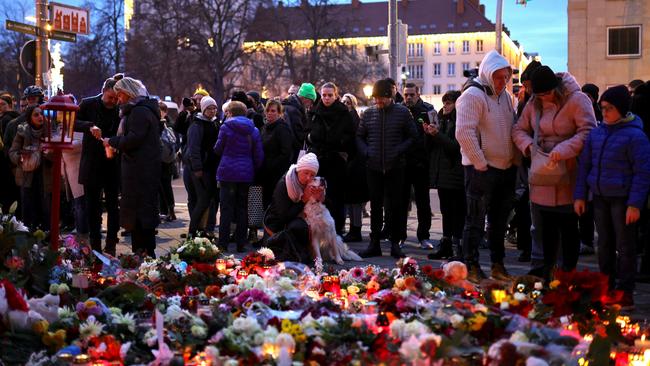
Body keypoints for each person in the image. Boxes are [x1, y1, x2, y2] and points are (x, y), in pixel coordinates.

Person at [512, 65, 596, 280]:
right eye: (538, 95)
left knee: (568, 225)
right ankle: (548, 272)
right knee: (545, 226)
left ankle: (567, 273)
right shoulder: (534, 102)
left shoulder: (578, 100)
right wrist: (529, 146)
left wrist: (563, 149)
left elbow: (588, 131)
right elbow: (519, 129)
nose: (543, 98)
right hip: (542, 172)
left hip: (569, 170)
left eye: (547, 93)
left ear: (556, 88)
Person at [574, 85, 650, 309]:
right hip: (600, 196)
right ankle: (605, 285)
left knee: (625, 246)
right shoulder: (597, 133)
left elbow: (642, 172)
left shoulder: (636, 137)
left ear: (622, 109)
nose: (604, 112)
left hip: (623, 199)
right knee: (604, 244)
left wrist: (635, 204)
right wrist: (580, 195)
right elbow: (585, 166)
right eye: (602, 108)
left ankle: (625, 290)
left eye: (609, 108)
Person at [455, 50, 518, 282]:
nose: (503, 82)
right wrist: (479, 162)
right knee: (475, 220)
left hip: (505, 168)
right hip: (481, 169)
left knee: (499, 221)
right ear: (488, 74)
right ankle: (470, 265)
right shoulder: (473, 95)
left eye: (506, 77)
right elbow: (464, 132)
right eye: (499, 77)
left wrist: (513, 160)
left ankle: (497, 265)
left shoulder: (506, 98)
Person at [356, 79, 417, 259]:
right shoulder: (368, 114)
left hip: (395, 166)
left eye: (381, 98)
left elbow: (413, 136)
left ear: (389, 96)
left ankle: (395, 243)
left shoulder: (402, 112)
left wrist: (399, 150)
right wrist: (367, 152)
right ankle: (374, 243)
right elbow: (359, 136)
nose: (378, 102)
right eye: (375, 98)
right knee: (375, 206)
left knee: (396, 206)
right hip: (373, 166)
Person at [104, 77, 161, 257]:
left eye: (119, 95)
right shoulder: (144, 110)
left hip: (139, 172)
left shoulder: (139, 112)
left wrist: (112, 141)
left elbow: (133, 139)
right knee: (142, 214)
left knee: (140, 215)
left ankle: (143, 254)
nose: (118, 99)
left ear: (127, 93)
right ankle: (143, 253)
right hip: (142, 170)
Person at [75, 74, 122, 255]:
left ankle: (111, 243)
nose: (113, 101)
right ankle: (95, 246)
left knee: (113, 205)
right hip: (92, 162)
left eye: (116, 99)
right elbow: (73, 123)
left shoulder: (120, 107)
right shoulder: (88, 104)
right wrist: (89, 126)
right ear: (103, 92)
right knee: (92, 207)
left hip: (112, 162)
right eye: (110, 97)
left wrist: (116, 143)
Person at [213, 101, 264, 252]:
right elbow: (258, 155)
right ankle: (241, 244)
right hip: (245, 174)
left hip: (227, 173)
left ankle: (223, 243)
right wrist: (251, 168)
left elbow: (218, 148)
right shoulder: (253, 130)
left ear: (230, 112)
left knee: (226, 209)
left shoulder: (225, 127)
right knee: (242, 209)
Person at [307, 82, 355, 235]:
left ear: (336, 96)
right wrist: (311, 139)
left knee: (336, 196)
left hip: (336, 160)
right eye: (324, 95)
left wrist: (339, 143)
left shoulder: (343, 112)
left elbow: (349, 135)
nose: (326, 98)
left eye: (330, 95)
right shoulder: (315, 112)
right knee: (318, 196)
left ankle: (337, 229)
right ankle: (318, 228)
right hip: (318, 159)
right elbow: (308, 132)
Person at [264, 153, 323, 264]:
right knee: (300, 226)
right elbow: (284, 216)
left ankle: (305, 254)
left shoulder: (309, 184)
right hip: (277, 226)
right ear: (298, 170)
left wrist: (318, 197)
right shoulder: (285, 184)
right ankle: (297, 254)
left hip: (292, 219)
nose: (308, 178)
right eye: (306, 173)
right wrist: (304, 200)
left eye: (312, 175)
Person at [426, 90, 465, 260]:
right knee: (446, 211)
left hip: (455, 174)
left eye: (449, 103)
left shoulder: (460, 120)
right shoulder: (440, 119)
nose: (445, 106)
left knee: (456, 212)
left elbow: (455, 147)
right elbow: (434, 148)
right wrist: (429, 133)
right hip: (442, 174)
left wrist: (437, 134)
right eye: (444, 102)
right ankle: (446, 244)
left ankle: (457, 248)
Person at [401, 83, 435, 249]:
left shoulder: (428, 110)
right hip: (403, 163)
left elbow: (436, 133)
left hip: (421, 163)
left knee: (423, 202)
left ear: (418, 94)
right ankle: (400, 236)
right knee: (401, 202)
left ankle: (424, 236)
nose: (408, 98)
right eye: (406, 94)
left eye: (411, 95)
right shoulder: (399, 110)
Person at [8, 105, 51, 230]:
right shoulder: (22, 131)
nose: (40, 117)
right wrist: (21, 158)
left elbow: (57, 154)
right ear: (29, 117)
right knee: (28, 208)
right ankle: (28, 240)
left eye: (41, 114)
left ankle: (46, 238)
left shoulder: (49, 130)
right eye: (36, 115)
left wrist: (48, 153)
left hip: (45, 175)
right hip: (27, 175)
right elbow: (12, 152)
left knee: (46, 208)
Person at [184, 96, 221, 237]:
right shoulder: (197, 125)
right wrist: (197, 167)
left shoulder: (214, 122)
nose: (212, 111)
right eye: (209, 108)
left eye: (214, 108)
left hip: (211, 167)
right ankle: (193, 231)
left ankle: (201, 230)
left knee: (208, 200)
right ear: (204, 109)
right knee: (203, 199)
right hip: (201, 169)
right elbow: (194, 148)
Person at [340, 93, 367, 243]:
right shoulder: (347, 118)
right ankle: (353, 229)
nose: (345, 104)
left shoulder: (353, 118)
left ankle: (355, 230)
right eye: (343, 101)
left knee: (354, 199)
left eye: (348, 102)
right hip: (350, 163)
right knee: (350, 199)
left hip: (355, 163)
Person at [260, 100, 293, 209]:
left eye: (273, 111)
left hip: (277, 173)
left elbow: (286, 152)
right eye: (268, 110)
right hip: (265, 172)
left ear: (280, 113)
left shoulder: (282, 128)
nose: (269, 113)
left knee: (275, 203)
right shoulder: (265, 128)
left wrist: (272, 165)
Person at [282, 83, 316, 158]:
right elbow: (298, 136)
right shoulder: (295, 111)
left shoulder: (287, 106)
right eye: (311, 101)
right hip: (291, 154)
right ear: (306, 98)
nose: (310, 105)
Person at [0, 94, 20, 213]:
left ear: (10, 105)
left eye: (3, 104)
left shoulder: (6, 120)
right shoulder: (16, 118)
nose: (0, 107)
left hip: (6, 160)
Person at [158, 101, 177, 222]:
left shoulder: (167, 125)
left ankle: (170, 211)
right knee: (162, 187)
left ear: (165, 112)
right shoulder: (166, 125)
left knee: (165, 186)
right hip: (165, 159)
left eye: (161, 110)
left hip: (165, 161)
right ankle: (165, 211)